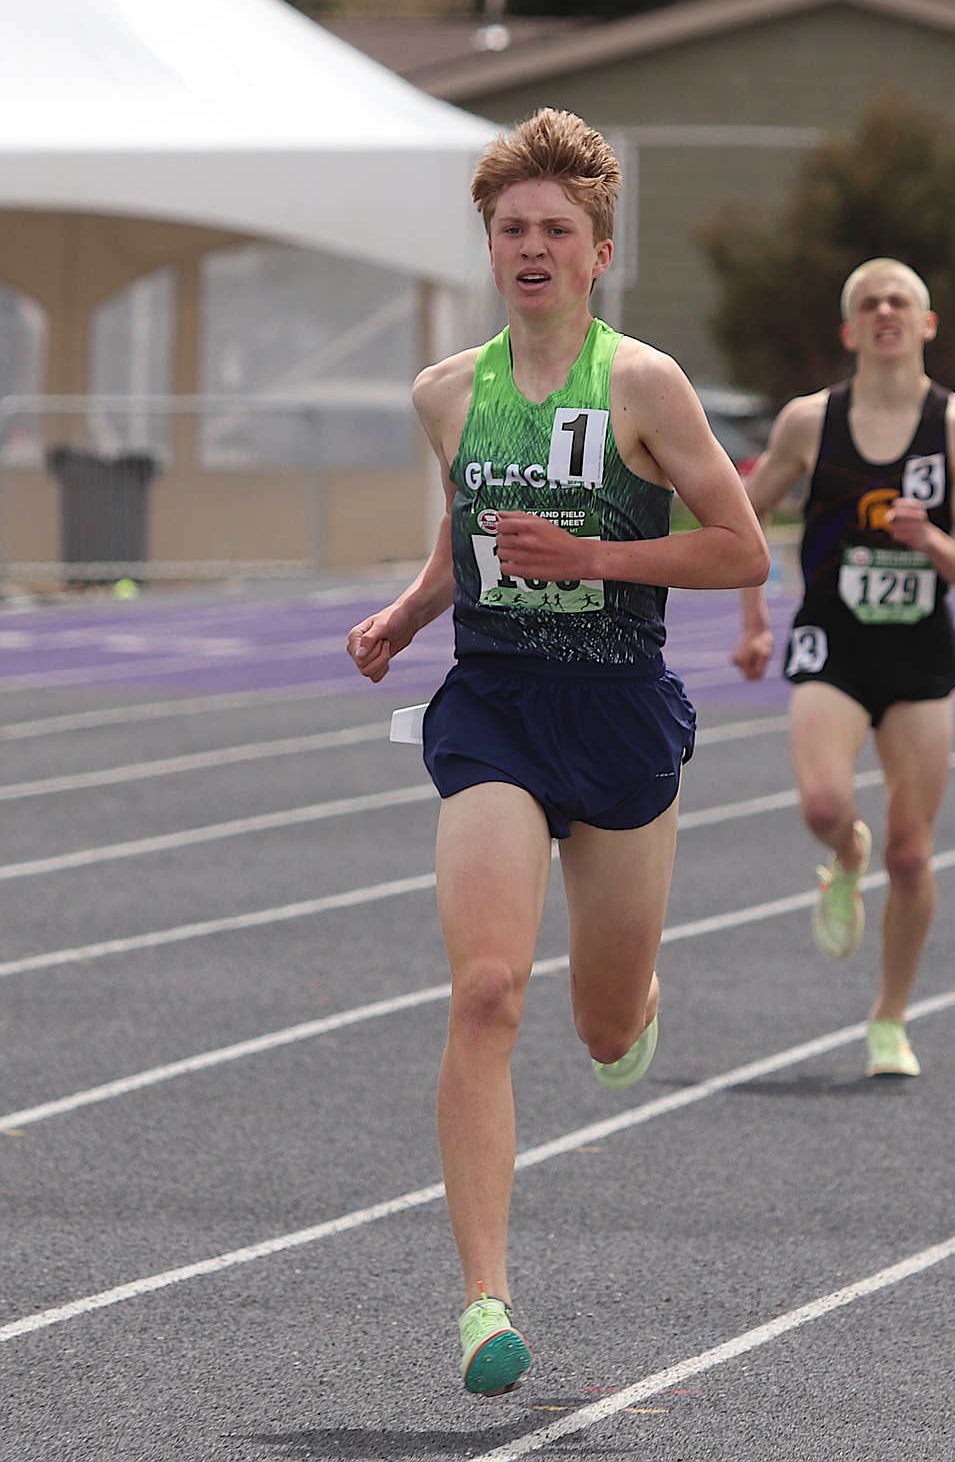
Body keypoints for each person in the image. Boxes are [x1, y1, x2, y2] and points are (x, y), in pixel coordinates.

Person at [347, 108, 770, 1397]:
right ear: (491, 246)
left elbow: (742, 550)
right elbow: (468, 517)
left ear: (596, 254)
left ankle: (634, 1004)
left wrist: (594, 555)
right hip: (497, 705)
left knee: (595, 1022)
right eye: (512, 229)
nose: (532, 248)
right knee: (486, 987)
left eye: (556, 231)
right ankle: (485, 1300)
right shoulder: (444, 393)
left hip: (620, 707)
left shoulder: (642, 384)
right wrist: (415, 612)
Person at [732, 257, 955, 1080]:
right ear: (850, 331)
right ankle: (847, 854)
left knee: (914, 856)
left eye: (901, 301)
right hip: (832, 644)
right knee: (822, 803)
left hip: (919, 654)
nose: (886, 310)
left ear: (926, 325)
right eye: (869, 302)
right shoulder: (810, 422)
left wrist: (935, 542)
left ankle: (890, 1018)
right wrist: (754, 616)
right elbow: (745, 505)